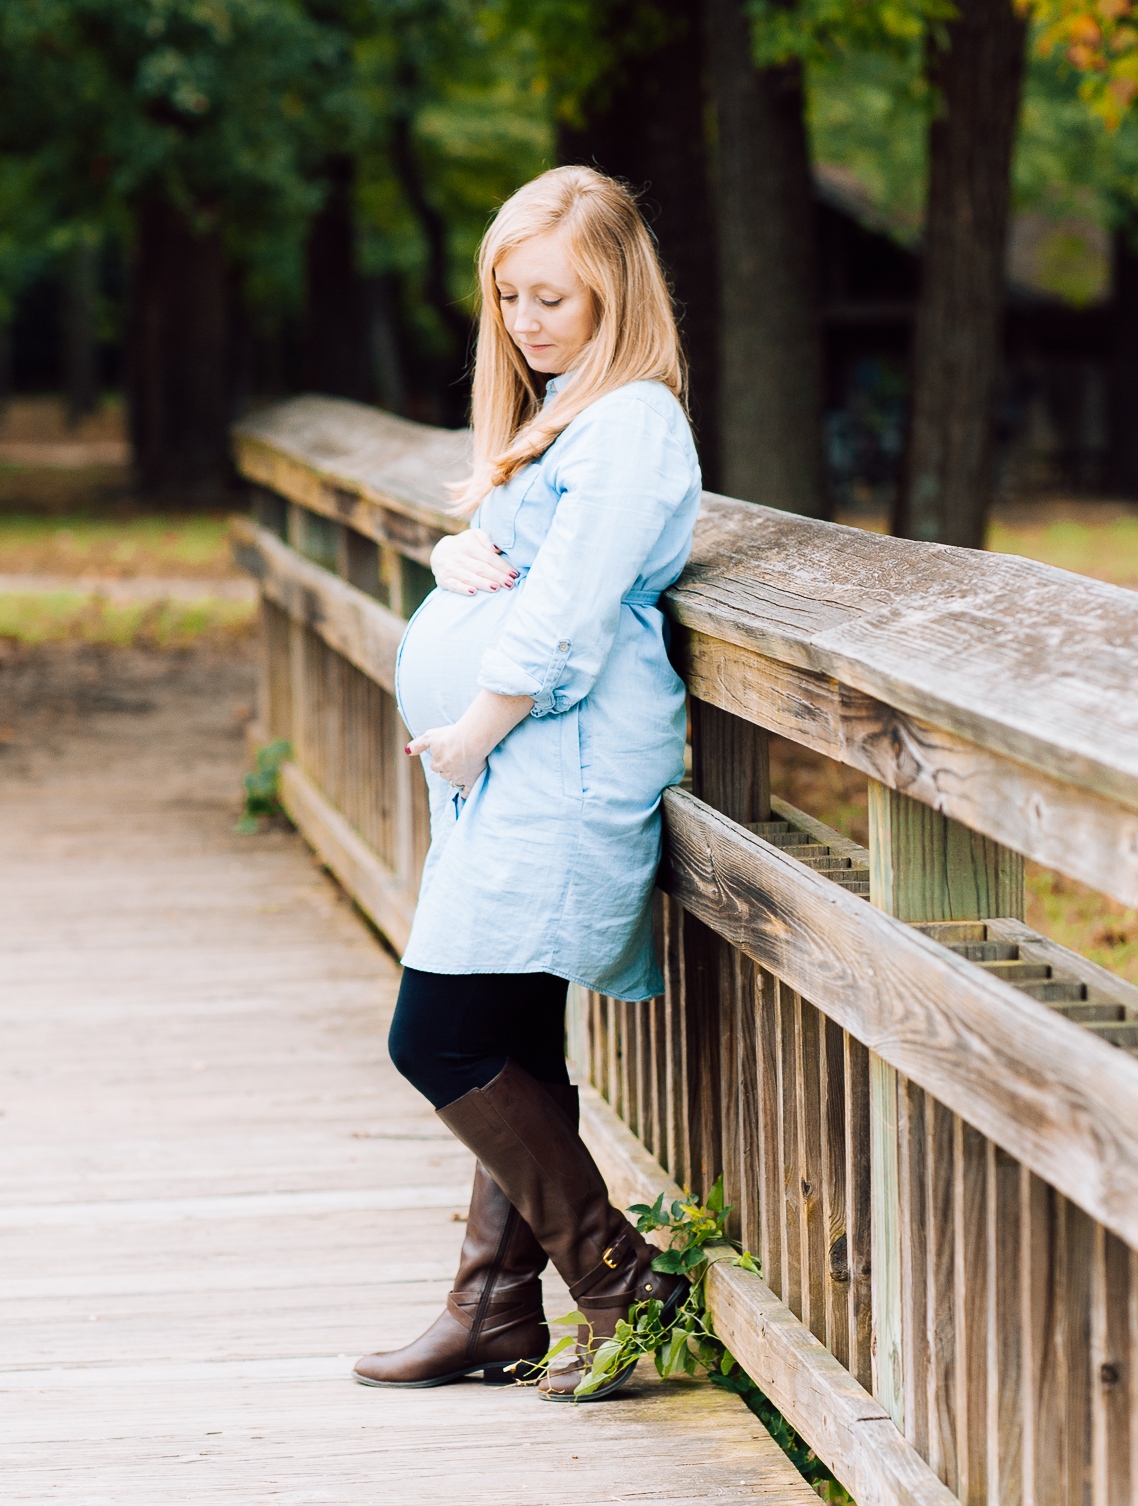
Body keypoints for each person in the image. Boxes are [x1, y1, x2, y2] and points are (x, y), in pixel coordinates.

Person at [352, 166, 702, 1404]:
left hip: (549, 764)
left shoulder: (631, 422)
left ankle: (619, 1282)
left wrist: (475, 724)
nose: (528, 321)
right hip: (511, 770)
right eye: (510, 299)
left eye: (553, 296)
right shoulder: (566, 410)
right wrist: (461, 544)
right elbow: (520, 548)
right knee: (504, 1034)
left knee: (435, 1036)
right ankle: (493, 1304)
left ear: (615, 288)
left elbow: (567, 606)